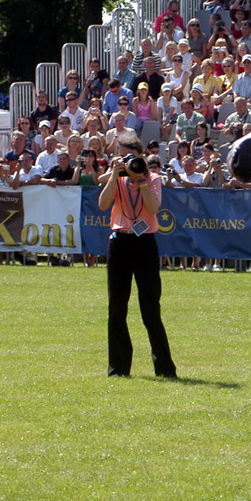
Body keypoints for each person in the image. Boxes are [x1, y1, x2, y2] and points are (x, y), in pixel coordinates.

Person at [98, 133, 176, 378]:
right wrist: (114, 175)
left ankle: (164, 368)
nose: (129, 161)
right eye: (123, 156)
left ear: (141, 156)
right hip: (119, 243)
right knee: (117, 307)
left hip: (145, 245)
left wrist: (141, 181)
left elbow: (154, 208)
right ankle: (118, 368)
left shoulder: (152, 178)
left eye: (132, 156)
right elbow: (102, 205)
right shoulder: (117, 178)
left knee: (150, 307)